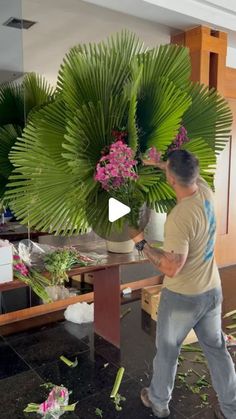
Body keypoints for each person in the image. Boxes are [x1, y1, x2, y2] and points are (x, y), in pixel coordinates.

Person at [132, 149, 236, 419]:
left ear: (171, 180)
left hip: (183, 299)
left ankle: (158, 402)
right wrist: (156, 162)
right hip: (212, 291)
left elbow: (171, 266)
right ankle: (231, 409)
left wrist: (141, 242)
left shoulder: (179, 217)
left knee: (167, 350)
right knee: (216, 350)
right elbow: (179, 170)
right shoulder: (205, 192)